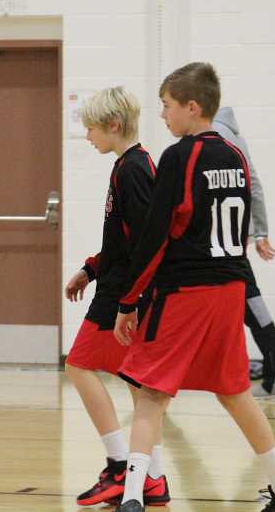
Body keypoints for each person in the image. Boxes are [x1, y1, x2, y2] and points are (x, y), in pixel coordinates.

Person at [113, 62, 275, 512]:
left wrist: (128, 301)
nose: (162, 115)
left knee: (150, 393)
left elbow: (155, 236)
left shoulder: (179, 157)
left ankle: (132, 498)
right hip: (230, 290)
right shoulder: (235, 155)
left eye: (167, 106)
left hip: (186, 292)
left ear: (192, 107)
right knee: (235, 393)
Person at [63, 87, 170, 506]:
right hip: (122, 287)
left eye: (91, 128)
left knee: (78, 365)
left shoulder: (133, 170)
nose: (87, 136)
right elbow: (123, 240)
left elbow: (148, 242)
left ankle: (119, 462)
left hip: (123, 295)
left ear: (112, 124)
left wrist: (131, 300)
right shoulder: (128, 165)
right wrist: (91, 268)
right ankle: (152, 477)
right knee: (136, 385)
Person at [213, 107, 275, 396]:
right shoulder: (235, 137)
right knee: (248, 303)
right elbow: (255, 185)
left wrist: (259, 231)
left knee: (250, 302)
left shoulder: (215, 135)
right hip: (231, 237)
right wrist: (260, 231)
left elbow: (249, 186)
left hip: (223, 240)